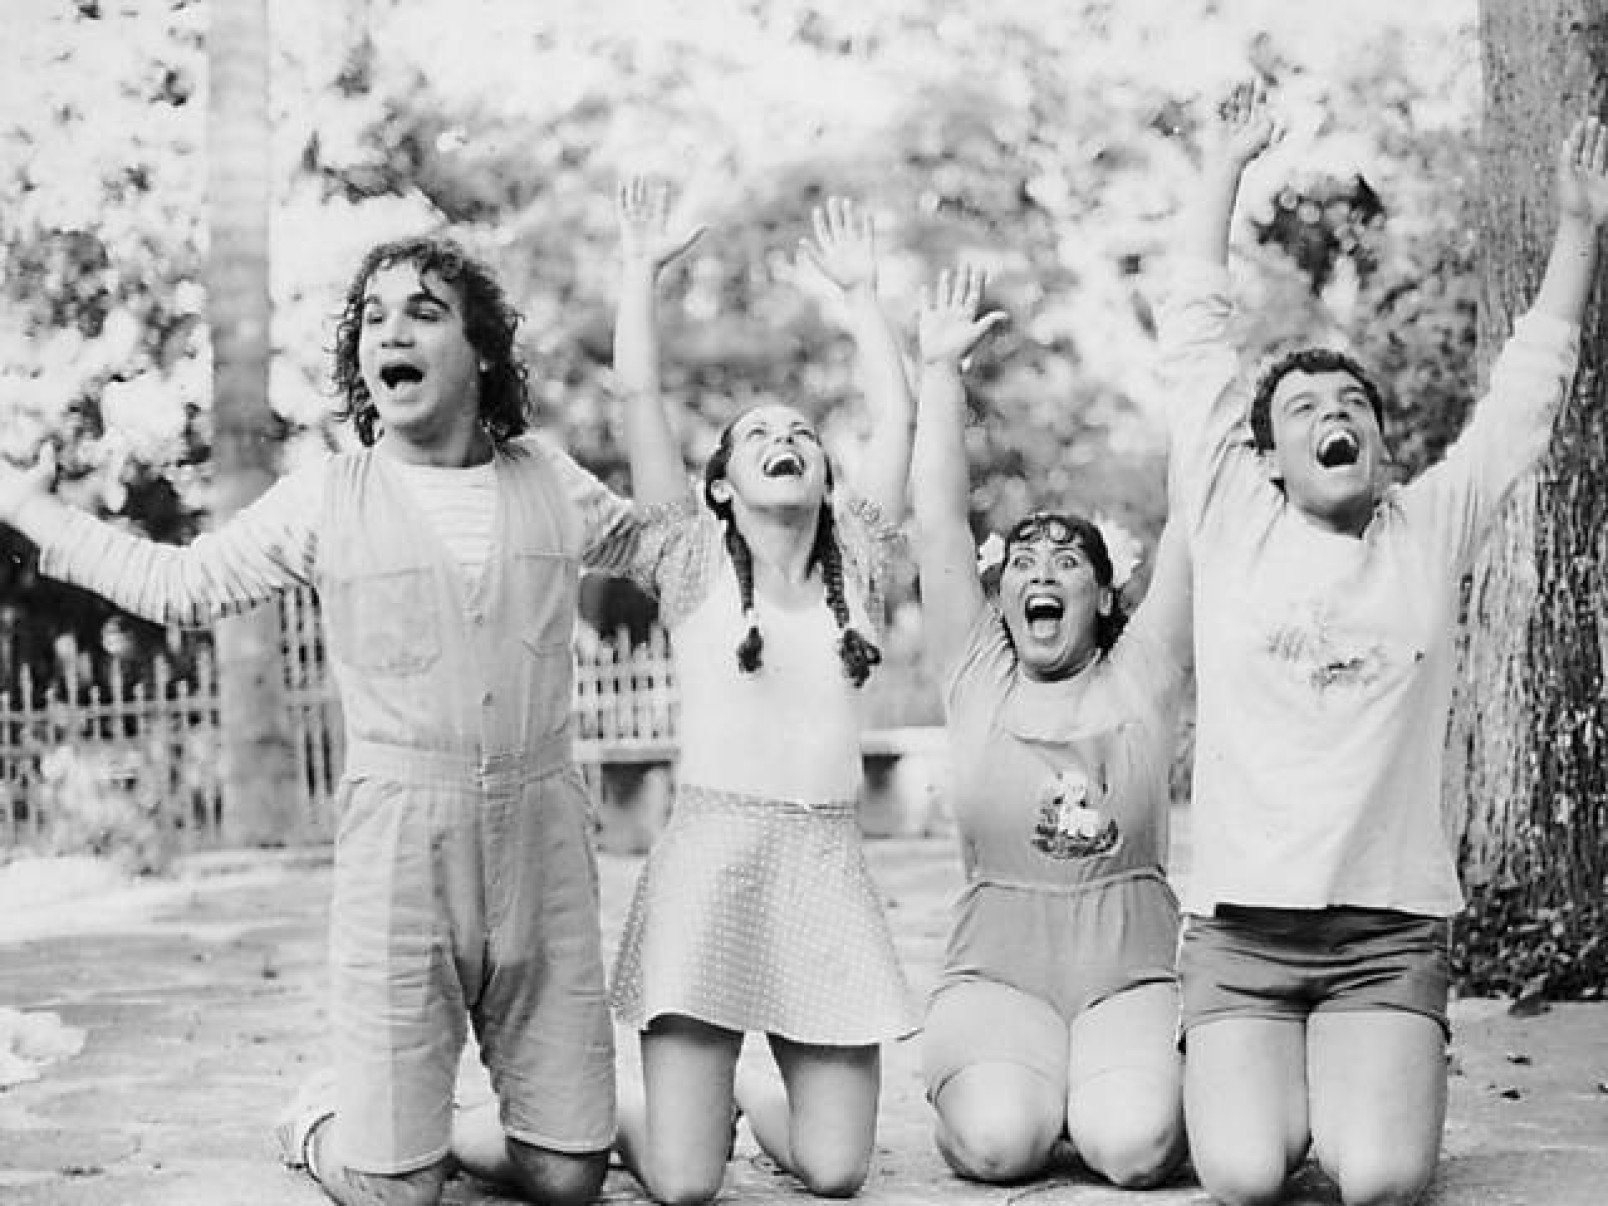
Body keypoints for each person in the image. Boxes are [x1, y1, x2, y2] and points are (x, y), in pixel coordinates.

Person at [0, 235, 647, 1206]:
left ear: (479, 354)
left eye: (424, 313)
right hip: (399, 851)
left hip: (545, 842)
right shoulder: (323, 496)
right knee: (397, 1195)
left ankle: (464, 1130)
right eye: (375, 318)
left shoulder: (551, 479)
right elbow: (181, 585)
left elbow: (670, 550)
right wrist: (18, 501)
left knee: (567, 1180)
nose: (393, 331)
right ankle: (323, 1121)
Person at [1162, 85, 1608, 1206]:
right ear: (1265, 456)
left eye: (1348, 396)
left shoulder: (1428, 526)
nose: (1330, 412)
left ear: (1379, 436)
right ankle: (1248, 1072)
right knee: (1246, 1176)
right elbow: (1194, 338)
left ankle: (1359, 1073)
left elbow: (1526, 397)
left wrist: (1579, 228)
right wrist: (1222, 169)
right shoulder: (1230, 517)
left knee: (1379, 1181)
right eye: (1302, 405)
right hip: (1242, 937)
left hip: (1386, 932)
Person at [603, 178, 918, 1204]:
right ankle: (616, 1121)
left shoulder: (861, 562)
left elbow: (897, 413)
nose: (787, 438)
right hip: (711, 861)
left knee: (834, 1170)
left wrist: (864, 298)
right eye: (757, 435)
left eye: (803, 432)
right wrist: (641, 272)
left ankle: (738, 1096)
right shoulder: (688, 559)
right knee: (686, 1189)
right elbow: (638, 401)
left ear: (825, 475)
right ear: (723, 486)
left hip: (823, 868)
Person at [910, 264, 1193, 1188]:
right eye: (1023, 559)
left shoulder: (1143, 671)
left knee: (1134, 1148)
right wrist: (941, 373)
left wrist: (1190, 360)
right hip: (998, 978)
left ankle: (1090, 1089)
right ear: (1003, 595)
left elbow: (1194, 519)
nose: (1040, 570)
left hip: (1132, 977)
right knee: (1001, 1147)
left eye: (1067, 561)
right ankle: (1025, 1088)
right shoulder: (978, 671)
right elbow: (939, 524)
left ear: (1104, 595)